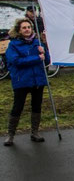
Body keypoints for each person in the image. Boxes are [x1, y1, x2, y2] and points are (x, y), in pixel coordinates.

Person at [4, 18, 50, 146]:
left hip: (38, 80)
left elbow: (46, 61)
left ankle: (35, 132)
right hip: (22, 81)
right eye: (24, 27)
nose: (27, 29)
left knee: (37, 106)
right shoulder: (13, 45)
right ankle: (10, 135)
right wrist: (37, 58)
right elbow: (16, 61)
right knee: (18, 107)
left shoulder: (37, 42)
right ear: (19, 30)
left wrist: (44, 48)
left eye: (29, 27)